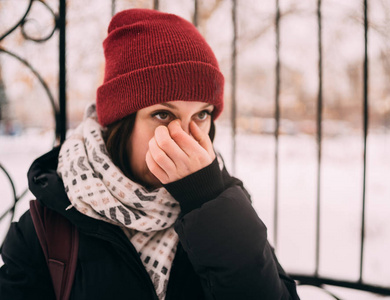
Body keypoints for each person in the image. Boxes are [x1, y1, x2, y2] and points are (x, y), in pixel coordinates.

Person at [0, 8, 300, 300]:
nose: (184, 136)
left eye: (201, 114)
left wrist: (207, 203)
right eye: (162, 114)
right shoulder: (45, 227)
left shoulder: (227, 205)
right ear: (121, 123)